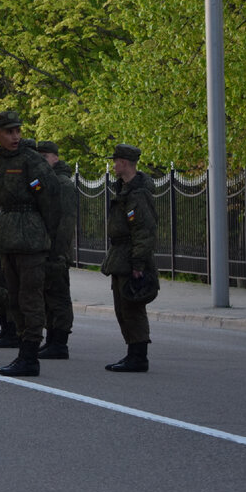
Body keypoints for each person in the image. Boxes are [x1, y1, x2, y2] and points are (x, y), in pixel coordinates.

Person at [0, 111, 60, 377]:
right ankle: (21, 349)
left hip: (31, 237)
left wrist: (47, 238)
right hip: (7, 237)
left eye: (18, 131)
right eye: (9, 132)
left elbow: (51, 201)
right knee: (14, 298)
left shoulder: (31, 161)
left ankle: (29, 355)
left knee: (30, 298)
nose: (15, 136)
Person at [102, 144, 158, 373]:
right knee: (122, 307)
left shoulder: (137, 194)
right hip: (121, 255)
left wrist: (138, 264)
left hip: (130, 256)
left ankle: (138, 356)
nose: (114, 165)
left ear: (124, 163)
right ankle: (132, 353)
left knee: (132, 308)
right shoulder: (125, 190)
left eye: (116, 161)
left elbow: (144, 231)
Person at [36, 141, 77, 360]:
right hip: (46, 248)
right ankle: (52, 339)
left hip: (56, 251)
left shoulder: (62, 184)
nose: (42, 161)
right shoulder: (49, 182)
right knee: (48, 296)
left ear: (55, 158)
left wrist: (59, 251)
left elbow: (66, 221)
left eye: (45, 157)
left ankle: (60, 342)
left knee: (59, 297)